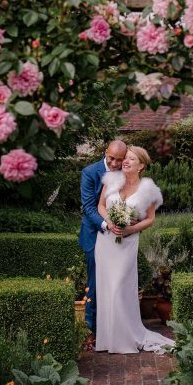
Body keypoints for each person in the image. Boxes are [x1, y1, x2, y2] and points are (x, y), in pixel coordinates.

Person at [94, 145, 174, 354]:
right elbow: (101, 206)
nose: (126, 162)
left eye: (131, 159)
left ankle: (124, 338)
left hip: (127, 244)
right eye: (125, 158)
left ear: (141, 166)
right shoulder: (111, 180)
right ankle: (107, 340)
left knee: (120, 287)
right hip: (105, 242)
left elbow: (150, 219)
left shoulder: (148, 190)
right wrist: (110, 221)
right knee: (107, 289)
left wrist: (131, 229)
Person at [79, 140, 127, 333]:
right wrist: (107, 224)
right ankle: (90, 327)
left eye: (119, 160)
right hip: (94, 232)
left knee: (116, 279)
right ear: (105, 152)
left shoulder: (126, 172)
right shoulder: (90, 172)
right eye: (111, 158)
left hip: (119, 235)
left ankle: (112, 324)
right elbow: (89, 207)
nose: (115, 163)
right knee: (95, 279)